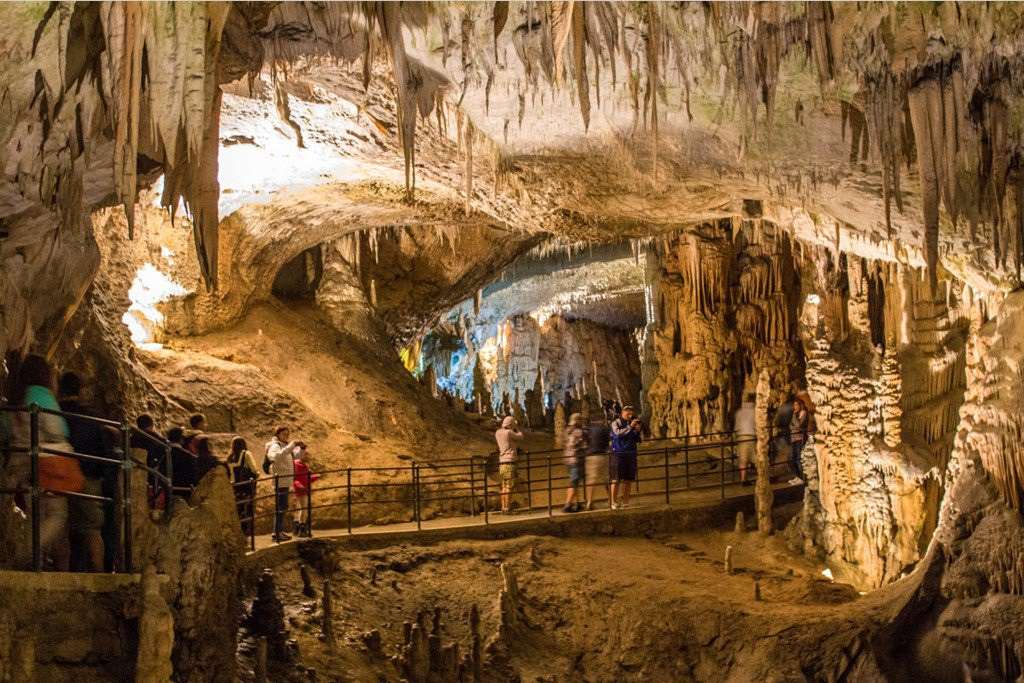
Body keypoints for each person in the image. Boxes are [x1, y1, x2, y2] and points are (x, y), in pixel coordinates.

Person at [7, 355, 81, 570]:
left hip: (20, 459)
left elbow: (7, 429)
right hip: (45, 461)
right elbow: (56, 428)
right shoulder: (40, 394)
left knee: (35, 514)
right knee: (58, 514)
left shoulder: (16, 395)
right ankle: (28, 550)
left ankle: (35, 559)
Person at [58, 372, 109, 572]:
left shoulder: (56, 412)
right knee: (91, 529)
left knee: (62, 528)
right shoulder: (91, 416)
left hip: (59, 474)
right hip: (88, 475)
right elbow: (102, 446)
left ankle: (61, 574)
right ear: (80, 391)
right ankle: (99, 574)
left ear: (61, 388)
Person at [265, 425, 297, 541]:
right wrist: (291, 446)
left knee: (283, 507)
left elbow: (293, 456)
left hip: (285, 480)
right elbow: (275, 457)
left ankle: (278, 531)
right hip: (280, 480)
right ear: (278, 434)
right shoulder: (275, 446)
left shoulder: (284, 446)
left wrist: (301, 449)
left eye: (288, 435)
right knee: (281, 507)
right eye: (284, 434)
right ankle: (276, 532)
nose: (286, 436)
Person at [609, 405, 642, 509]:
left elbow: (637, 439)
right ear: (623, 412)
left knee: (628, 480)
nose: (630, 415)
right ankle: (613, 502)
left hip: (630, 454)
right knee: (616, 479)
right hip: (618, 454)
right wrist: (630, 427)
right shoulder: (616, 423)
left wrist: (637, 431)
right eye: (628, 413)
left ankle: (625, 502)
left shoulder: (632, 423)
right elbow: (617, 434)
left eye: (631, 413)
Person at [133, 414, 167, 510]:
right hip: (155, 478)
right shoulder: (160, 441)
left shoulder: (131, 439)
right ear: (152, 425)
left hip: (136, 476)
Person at [227, 436, 259, 536]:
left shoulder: (230, 457)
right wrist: (256, 477)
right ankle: (246, 535)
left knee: (238, 512)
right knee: (248, 512)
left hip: (234, 488)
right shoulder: (246, 454)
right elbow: (254, 470)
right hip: (246, 488)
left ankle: (238, 535)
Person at [494, 415, 524, 515]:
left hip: (502, 463)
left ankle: (503, 507)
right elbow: (521, 436)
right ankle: (507, 508)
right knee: (509, 487)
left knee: (504, 486)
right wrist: (516, 427)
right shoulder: (509, 433)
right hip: (510, 462)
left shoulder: (498, 432)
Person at [585, 415, 611, 510]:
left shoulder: (589, 429)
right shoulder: (604, 428)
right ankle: (612, 499)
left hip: (591, 456)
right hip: (602, 455)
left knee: (591, 480)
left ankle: (589, 502)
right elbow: (607, 441)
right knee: (607, 478)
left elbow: (586, 442)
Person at [292, 444, 318, 538]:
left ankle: (298, 528)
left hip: (304, 488)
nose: (307, 456)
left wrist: (315, 477)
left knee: (302, 508)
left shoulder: (303, 465)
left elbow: (305, 478)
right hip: (301, 489)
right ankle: (302, 528)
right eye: (306, 454)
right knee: (303, 508)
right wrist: (299, 486)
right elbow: (295, 478)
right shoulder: (297, 465)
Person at [562, 413, 586, 513]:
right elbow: (583, 445)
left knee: (576, 482)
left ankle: (577, 503)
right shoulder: (578, 432)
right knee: (574, 482)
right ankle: (567, 505)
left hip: (568, 458)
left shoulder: (567, 430)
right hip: (576, 460)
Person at [166, 427, 198, 497]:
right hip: (183, 490)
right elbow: (193, 475)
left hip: (165, 490)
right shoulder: (187, 455)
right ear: (181, 439)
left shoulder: (163, 452)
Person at [733, 395, 756, 486]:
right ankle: (762, 477)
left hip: (741, 437)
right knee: (758, 458)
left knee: (743, 459)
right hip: (752, 436)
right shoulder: (755, 411)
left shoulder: (740, 411)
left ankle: (743, 479)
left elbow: (737, 425)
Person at [789, 398, 810, 484]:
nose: (795, 407)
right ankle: (798, 476)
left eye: (796, 405)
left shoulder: (804, 414)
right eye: (794, 405)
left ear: (801, 405)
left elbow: (799, 425)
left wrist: (794, 418)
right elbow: (790, 426)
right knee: (792, 459)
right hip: (794, 438)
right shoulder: (796, 415)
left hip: (800, 438)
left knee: (799, 458)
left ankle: (802, 478)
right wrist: (796, 427)